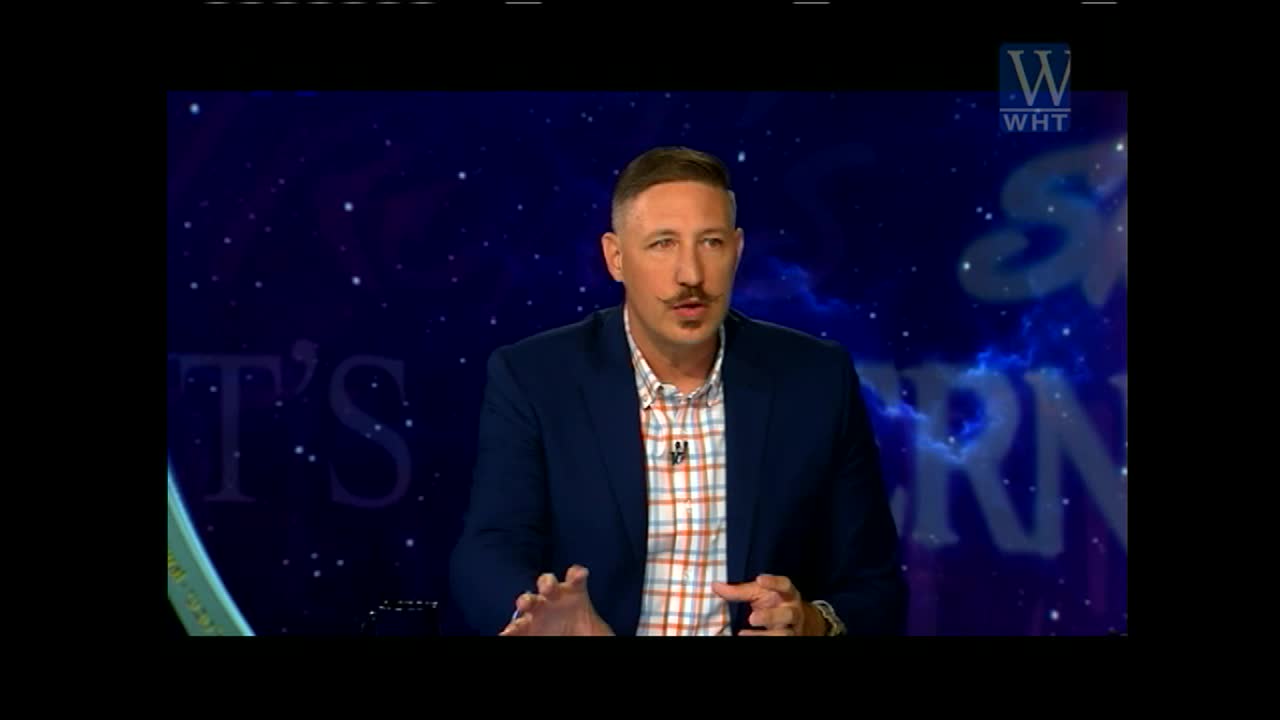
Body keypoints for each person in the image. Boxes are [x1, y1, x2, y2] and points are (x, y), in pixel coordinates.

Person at [449, 146, 906, 636]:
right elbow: (487, 553)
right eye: (663, 244)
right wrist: (538, 619)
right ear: (616, 257)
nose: (691, 275)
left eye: (710, 243)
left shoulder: (816, 380)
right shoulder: (535, 377)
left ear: (737, 250)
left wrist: (812, 624)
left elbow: (875, 586)